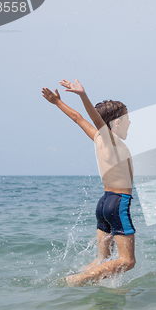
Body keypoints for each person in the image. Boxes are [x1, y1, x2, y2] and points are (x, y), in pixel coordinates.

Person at [42, 79, 136, 285]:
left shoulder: (98, 139)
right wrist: (83, 95)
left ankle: (79, 282)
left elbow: (78, 118)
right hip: (118, 203)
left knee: (102, 259)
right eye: (127, 119)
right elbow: (93, 119)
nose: (130, 123)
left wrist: (58, 102)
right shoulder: (111, 140)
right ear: (117, 122)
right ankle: (76, 279)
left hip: (104, 203)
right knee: (127, 261)